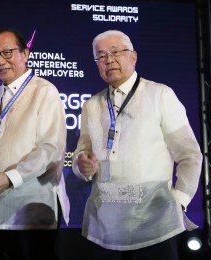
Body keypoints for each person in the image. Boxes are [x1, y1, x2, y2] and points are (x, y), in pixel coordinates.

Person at [72, 30, 203, 259]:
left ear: (133, 57)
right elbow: (81, 153)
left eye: (115, 52)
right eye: (100, 56)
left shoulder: (159, 95)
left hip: (155, 223)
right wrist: (81, 165)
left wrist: (179, 202)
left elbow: (190, 154)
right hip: (104, 226)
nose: (108, 60)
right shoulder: (91, 105)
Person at [0, 28, 70, 260]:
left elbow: (51, 149)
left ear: (25, 54)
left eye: (7, 53)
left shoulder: (44, 91)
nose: (0, 61)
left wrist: (9, 178)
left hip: (32, 208)